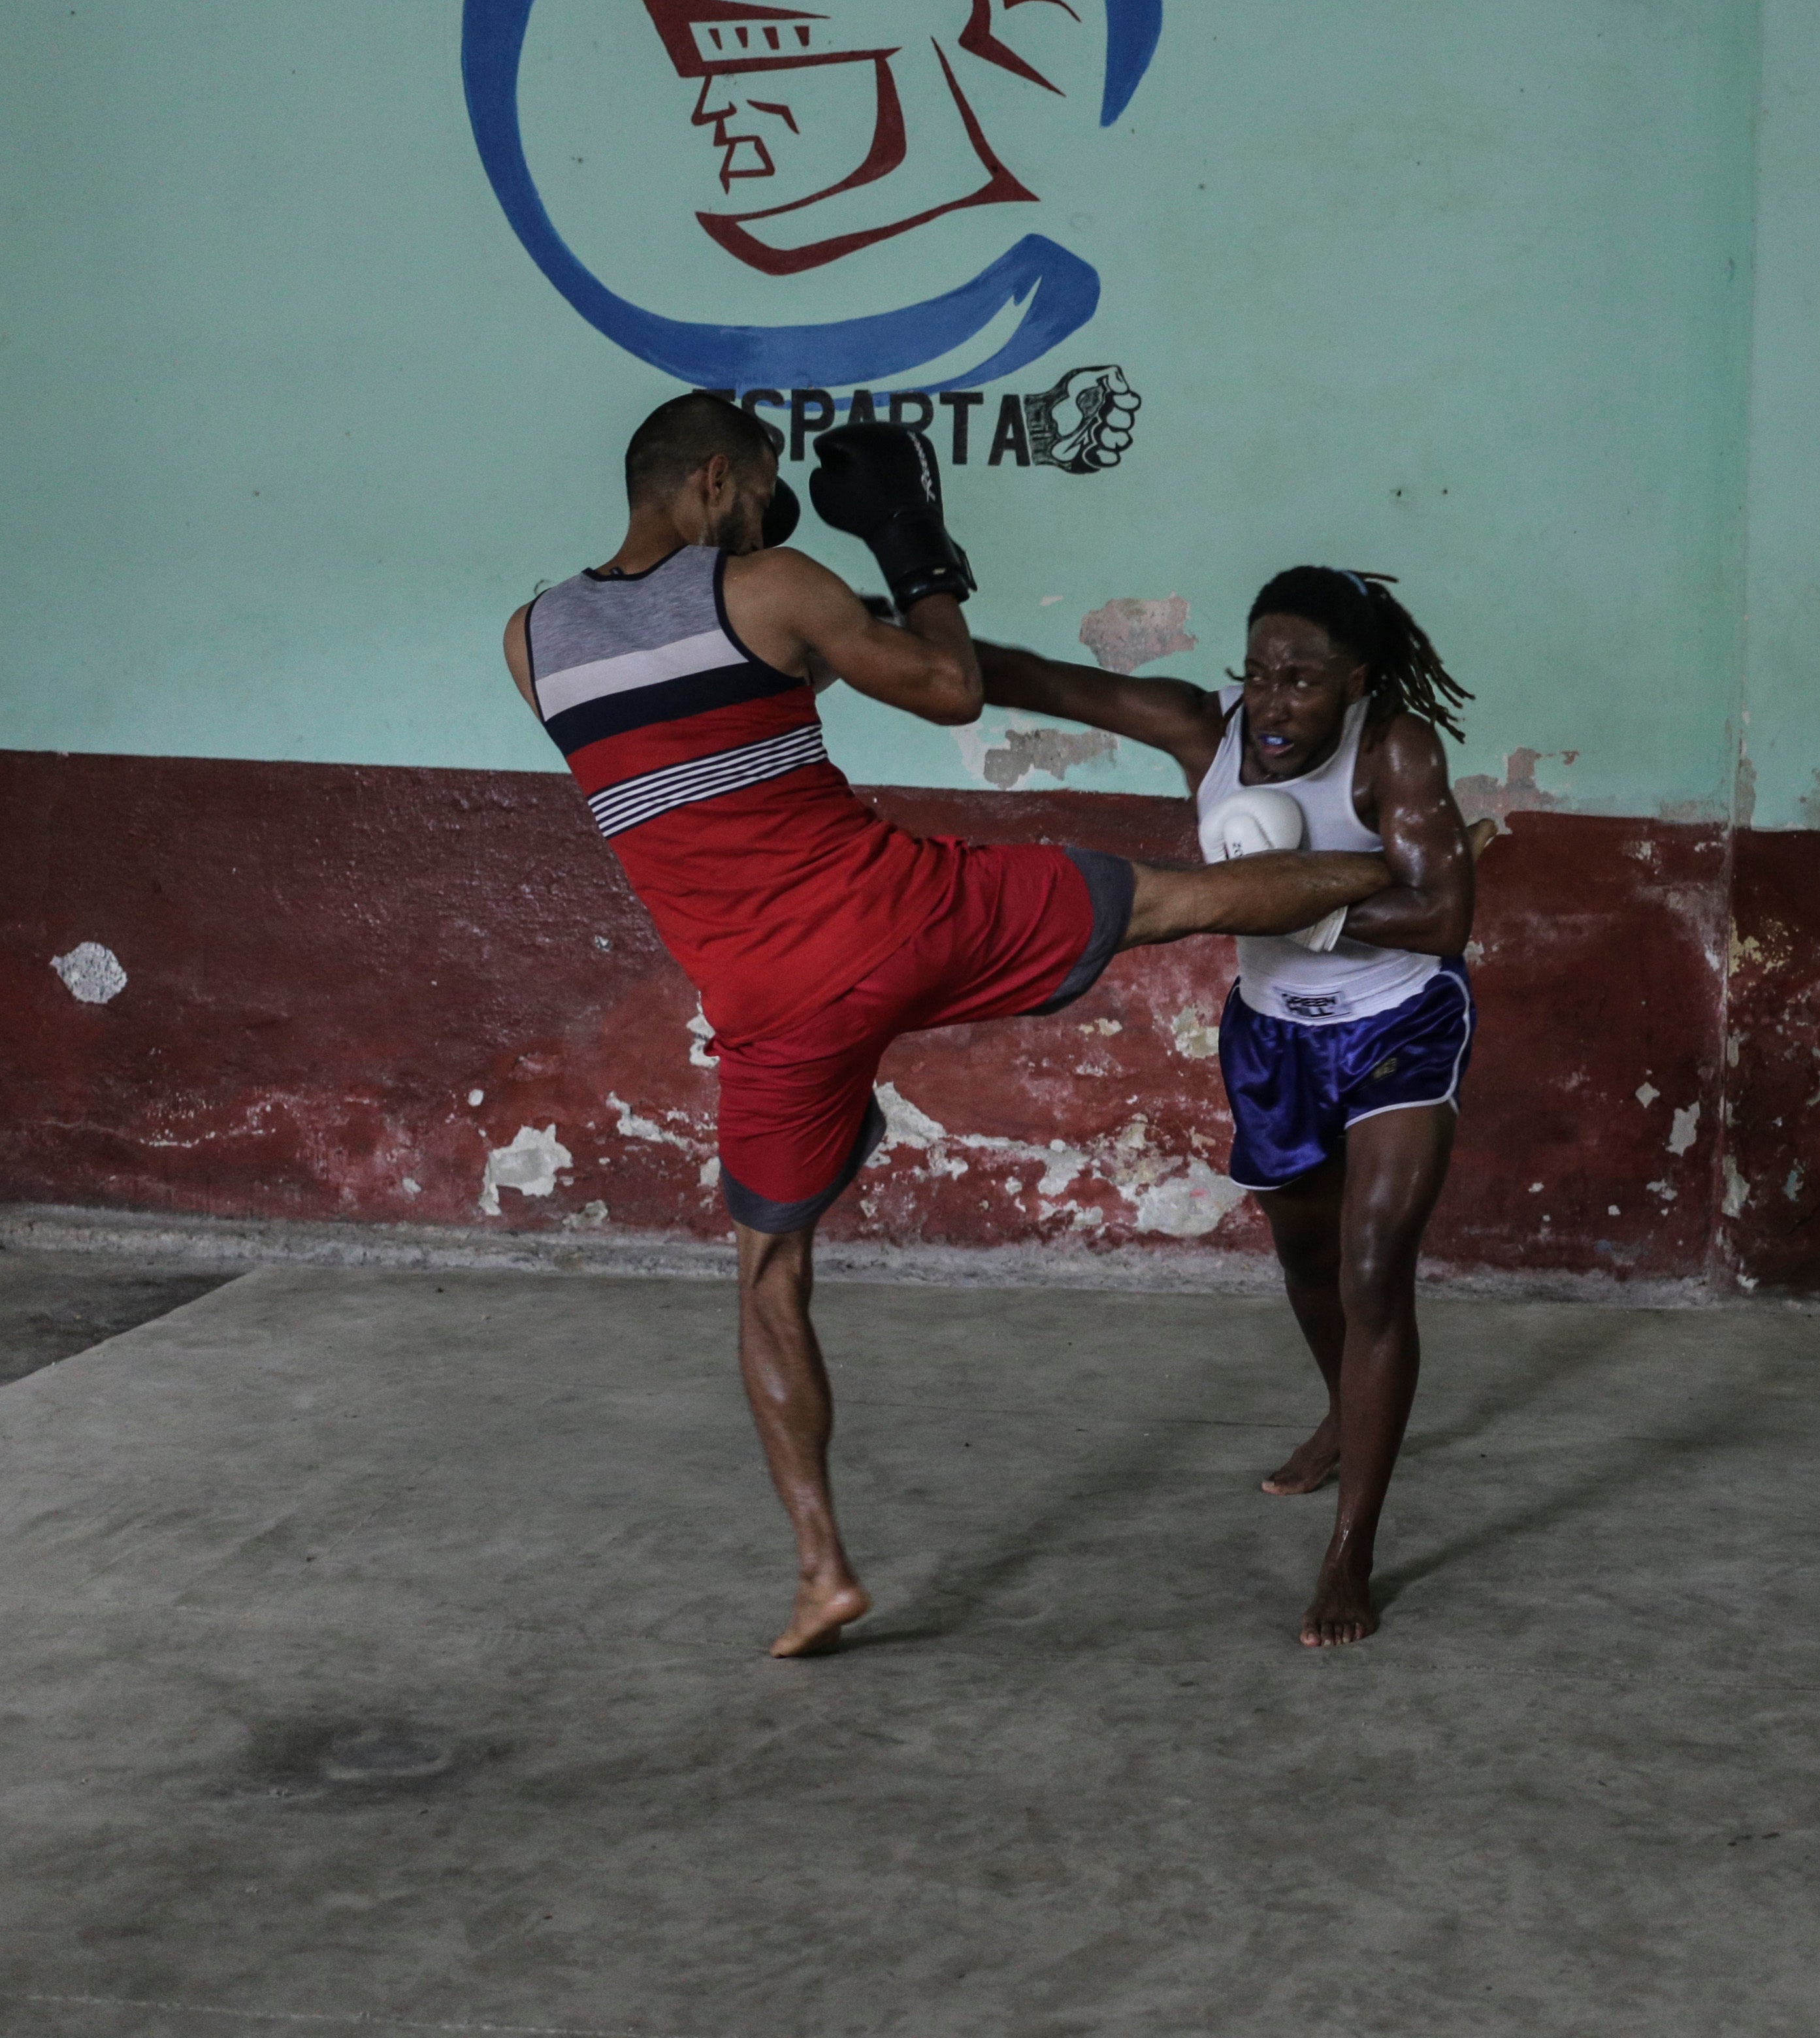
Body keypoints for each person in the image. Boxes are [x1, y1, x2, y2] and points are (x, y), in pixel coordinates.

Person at [500, 392, 1394, 1657]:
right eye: (758, 487)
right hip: (895, 917)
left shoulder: (530, 636)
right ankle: (1414, 873)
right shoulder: (765, 582)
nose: (767, 509)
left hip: (760, 998)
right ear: (714, 479)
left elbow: (680, 753)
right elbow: (949, 690)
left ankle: (819, 1571)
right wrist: (913, 557)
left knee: (768, 1274)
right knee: (1174, 899)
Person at [972, 567, 1484, 1646]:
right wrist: (855, 634)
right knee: (1304, 1262)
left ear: (1356, 680)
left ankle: (1351, 1555)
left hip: (1398, 1025)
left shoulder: (1394, 748)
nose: (1276, 701)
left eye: (1302, 679)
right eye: (1257, 673)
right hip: (1272, 1035)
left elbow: (1443, 918)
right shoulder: (1203, 734)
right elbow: (1030, 677)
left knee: (1373, 1262)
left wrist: (1304, 900)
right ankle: (1345, 1413)